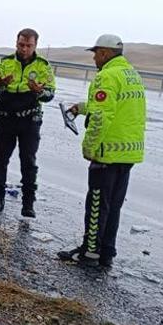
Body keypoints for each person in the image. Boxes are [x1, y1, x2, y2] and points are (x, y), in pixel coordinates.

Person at [57, 34, 146, 268]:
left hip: (107, 152)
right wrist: (80, 108)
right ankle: (107, 252)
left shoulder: (106, 76)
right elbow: (112, 106)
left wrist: (89, 148)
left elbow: (101, 116)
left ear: (106, 53)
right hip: (127, 153)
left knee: (96, 204)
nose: (94, 57)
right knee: (114, 205)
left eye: (96, 52)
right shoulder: (131, 75)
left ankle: (90, 253)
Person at [0, 28, 55, 218]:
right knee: (0, 161)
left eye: (28, 46)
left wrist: (39, 91)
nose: (24, 49)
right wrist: (0, 84)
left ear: (35, 46)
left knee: (28, 162)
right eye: (21, 45)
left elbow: (50, 94)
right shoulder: (6, 62)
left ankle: (28, 204)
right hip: (5, 119)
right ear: (16, 43)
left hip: (29, 120)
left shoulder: (43, 66)